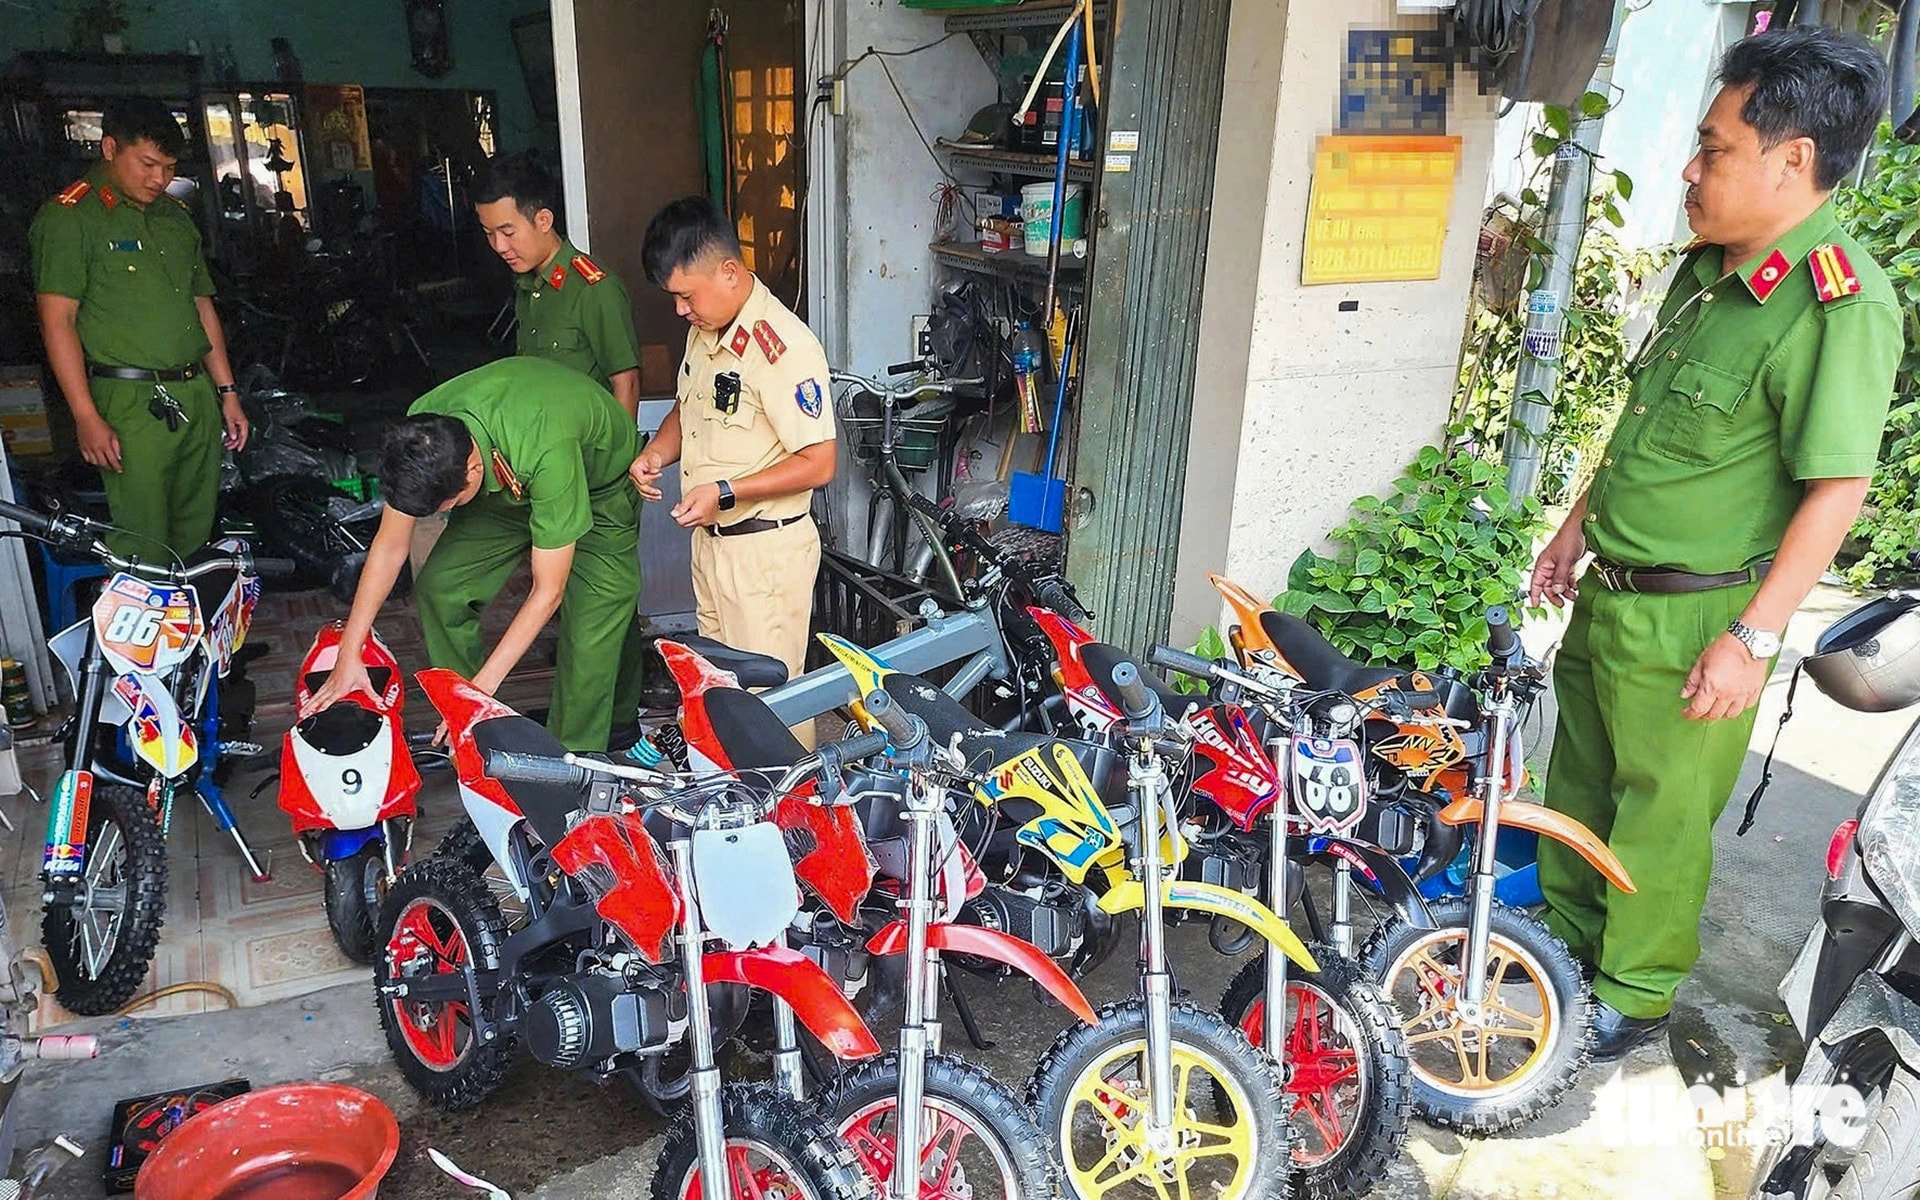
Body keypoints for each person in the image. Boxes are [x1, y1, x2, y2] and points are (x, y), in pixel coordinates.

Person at [1528, 27, 1902, 1062]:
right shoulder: (1710, 272)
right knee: (1580, 789)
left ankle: (1631, 991)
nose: (1691, 170)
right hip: (1615, 589)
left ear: (1792, 160)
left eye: (1715, 148)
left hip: (1701, 613)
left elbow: (1837, 489)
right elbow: (1646, 424)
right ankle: (1560, 951)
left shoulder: (1838, 302)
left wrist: (1754, 636)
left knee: (1659, 815)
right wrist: (1572, 532)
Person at [304, 357, 645, 752]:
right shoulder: (423, 438)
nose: (442, 515)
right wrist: (350, 651)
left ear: (471, 468)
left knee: (592, 619)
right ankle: (471, 726)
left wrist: (482, 689)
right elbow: (390, 546)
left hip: (595, 486)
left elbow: (547, 591)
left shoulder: (545, 447)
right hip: (503, 490)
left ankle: (574, 755)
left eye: (447, 506)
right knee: (440, 588)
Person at [30, 95, 249, 557]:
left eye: (169, 168)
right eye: (148, 164)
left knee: (195, 536)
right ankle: (149, 628)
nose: (160, 179)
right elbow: (58, 322)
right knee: (144, 544)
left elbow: (201, 306)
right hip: (128, 403)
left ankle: (188, 627)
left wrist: (227, 390)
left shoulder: (174, 217)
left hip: (194, 395)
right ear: (109, 148)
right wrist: (86, 416)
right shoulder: (71, 219)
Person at [630, 196, 835, 686]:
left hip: (764, 558)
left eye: (687, 296)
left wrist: (725, 492)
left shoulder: (782, 347)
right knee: (721, 698)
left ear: (728, 271)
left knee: (771, 711)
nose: (680, 310)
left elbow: (819, 462)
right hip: (713, 548)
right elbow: (692, 404)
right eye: (673, 298)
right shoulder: (707, 329)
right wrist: (656, 451)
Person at [475, 156, 641, 417]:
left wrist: (621, 456)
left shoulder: (593, 289)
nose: (499, 246)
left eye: (508, 233)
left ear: (543, 220)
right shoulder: (527, 286)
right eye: (488, 233)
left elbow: (626, 384)